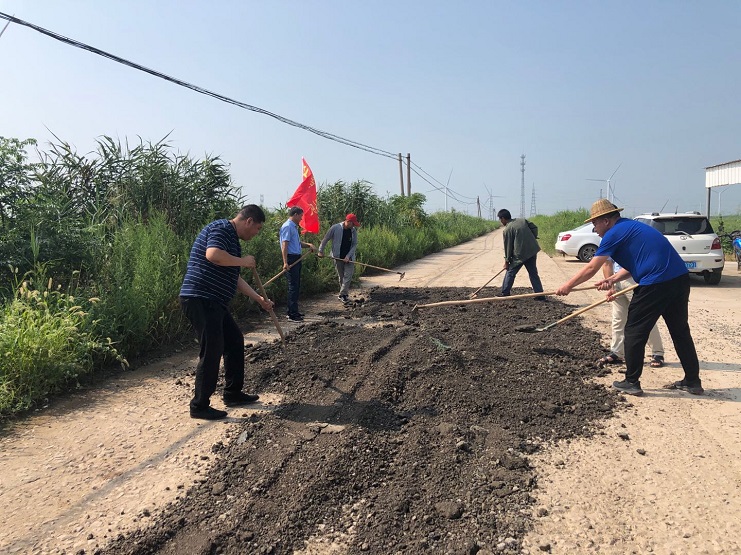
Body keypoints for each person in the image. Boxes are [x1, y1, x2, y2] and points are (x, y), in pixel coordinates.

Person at [556, 199, 702, 396]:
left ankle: (631, 381)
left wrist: (568, 286)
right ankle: (693, 381)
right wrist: (613, 279)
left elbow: (591, 267)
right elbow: (639, 263)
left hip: (656, 283)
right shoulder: (632, 227)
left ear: (606, 221)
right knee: (680, 331)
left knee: (634, 331)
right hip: (679, 279)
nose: (594, 229)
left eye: (595, 223)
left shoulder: (613, 233)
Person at [180, 205, 275, 420]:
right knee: (212, 349)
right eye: (258, 228)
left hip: (214, 301)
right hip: (201, 298)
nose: (256, 233)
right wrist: (243, 261)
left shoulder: (232, 240)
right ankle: (199, 406)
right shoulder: (222, 228)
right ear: (249, 221)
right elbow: (213, 255)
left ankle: (233, 393)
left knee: (234, 341)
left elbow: (234, 277)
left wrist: (259, 299)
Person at [597, 258, 665, 369]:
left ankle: (657, 353)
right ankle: (617, 353)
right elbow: (607, 263)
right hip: (616, 279)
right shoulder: (607, 245)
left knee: (644, 317)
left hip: (634, 279)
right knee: (618, 318)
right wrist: (611, 287)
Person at [497, 208, 545, 299]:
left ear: (503, 218)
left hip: (520, 255)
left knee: (510, 272)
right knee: (533, 274)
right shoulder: (522, 220)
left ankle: (505, 293)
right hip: (532, 250)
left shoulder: (507, 230)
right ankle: (540, 295)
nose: (500, 221)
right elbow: (534, 228)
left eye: (500, 219)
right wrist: (531, 238)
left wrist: (507, 262)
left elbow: (508, 247)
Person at [280, 206, 316, 321]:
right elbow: (284, 245)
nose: (301, 218)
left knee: (296, 285)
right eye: (300, 216)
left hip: (297, 258)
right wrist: (285, 262)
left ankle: (294, 311)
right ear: (295, 215)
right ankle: (292, 314)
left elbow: (297, 243)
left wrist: (309, 245)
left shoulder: (294, 227)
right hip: (291, 259)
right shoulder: (287, 226)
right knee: (293, 286)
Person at [317, 213, 361, 302]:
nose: (353, 226)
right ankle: (344, 295)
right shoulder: (335, 228)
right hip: (337, 257)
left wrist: (348, 256)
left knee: (348, 276)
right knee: (341, 277)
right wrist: (320, 251)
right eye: (353, 224)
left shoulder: (353, 231)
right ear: (348, 222)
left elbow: (354, 244)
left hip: (349, 258)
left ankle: (342, 294)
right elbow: (325, 239)